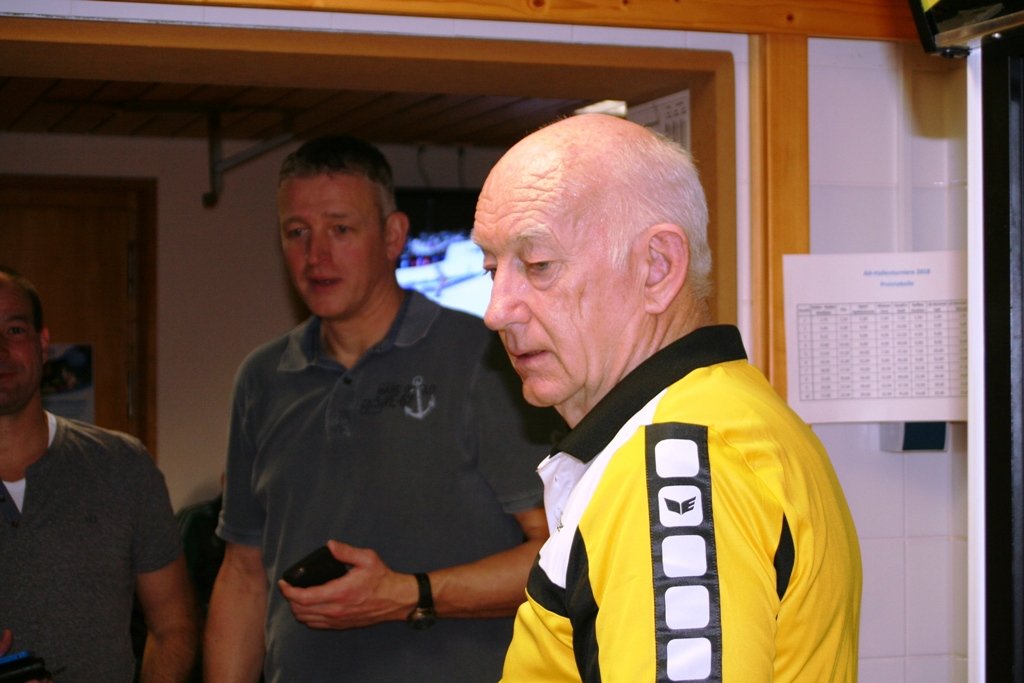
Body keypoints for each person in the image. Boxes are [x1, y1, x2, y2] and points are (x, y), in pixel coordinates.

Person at [471, 114, 863, 682]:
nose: (496, 310)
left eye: (538, 266)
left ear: (658, 267)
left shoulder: (675, 459)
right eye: (492, 268)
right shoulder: (724, 414)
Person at [204, 135, 562, 683]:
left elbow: (558, 554)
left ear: (394, 236)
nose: (316, 256)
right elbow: (243, 575)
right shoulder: (261, 379)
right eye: (297, 233)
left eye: (340, 230)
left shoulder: (484, 359)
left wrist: (408, 594)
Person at [0, 266, 197, 683]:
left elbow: (173, 627)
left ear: (43, 344)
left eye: (14, 330)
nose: (0, 349)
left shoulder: (122, 466)